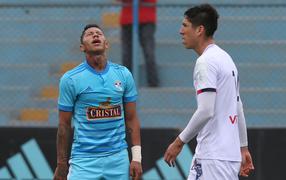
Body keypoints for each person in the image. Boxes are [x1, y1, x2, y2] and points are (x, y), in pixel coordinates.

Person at [163, 4, 254, 180]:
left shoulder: (206, 62)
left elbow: (206, 110)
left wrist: (178, 142)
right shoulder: (226, 58)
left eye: (185, 26)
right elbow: (238, 107)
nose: (181, 31)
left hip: (212, 157)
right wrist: (243, 147)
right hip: (228, 156)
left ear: (199, 30)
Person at [53, 24, 142, 180]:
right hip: (84, 160)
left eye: (99, 33)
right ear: (82, 47)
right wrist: (61, 164)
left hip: (117, 158)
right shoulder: (70, 79)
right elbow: (64, 125)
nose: (95, 35)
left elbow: (131, 118)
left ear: (106, 44)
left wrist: (136, 158)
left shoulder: (123, 74)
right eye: (89, 34)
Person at [118, 0, 159, 87]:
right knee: (127, 54)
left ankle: (153, 83)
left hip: (146, 18)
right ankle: (127, 84)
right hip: (128, 19)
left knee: (149, 52)